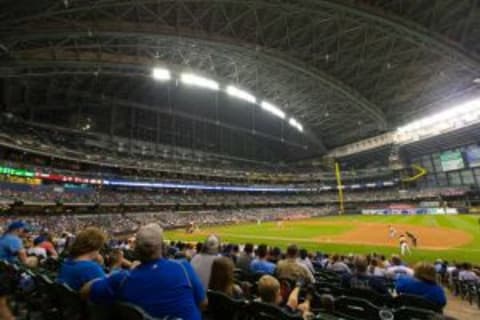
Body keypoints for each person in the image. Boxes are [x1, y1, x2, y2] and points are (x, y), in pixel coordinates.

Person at [82, 223, 207, 320]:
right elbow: (203, 303)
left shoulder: (121, 279)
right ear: (163, 247)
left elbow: (84, 292)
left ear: (136, 250)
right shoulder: (183, 267)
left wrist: (115, 273)